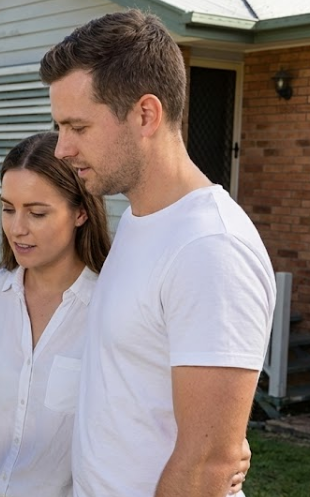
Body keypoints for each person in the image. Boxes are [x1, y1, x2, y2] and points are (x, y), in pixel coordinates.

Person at [40, 9, 276, 497]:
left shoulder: (211, 247)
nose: (61, 149)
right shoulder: (139, 220)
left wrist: (220, 448)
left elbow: (206, 465)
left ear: (146, 115)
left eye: (77, 127)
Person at [0, 132, 111, 497]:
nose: (17, 228)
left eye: (36, 213)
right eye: (8, 208)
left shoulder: (111, 307)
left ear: (81, 211)